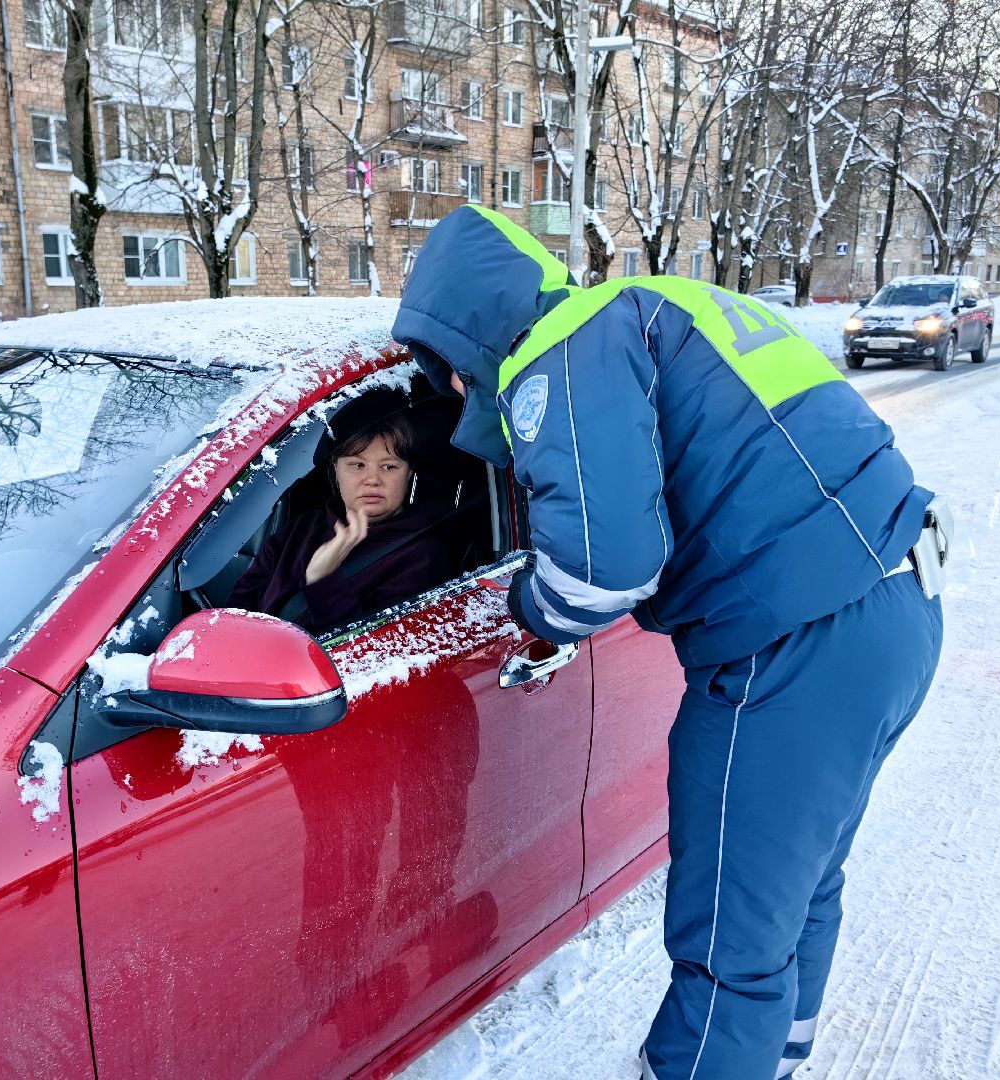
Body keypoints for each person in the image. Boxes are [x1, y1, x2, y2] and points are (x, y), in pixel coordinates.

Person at [391, 205, 946, 1080]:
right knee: (792, 892)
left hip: (793, 645)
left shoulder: (555, 353)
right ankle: (775, 1058)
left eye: (449, 373)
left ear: (468, 332)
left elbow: (604, 571)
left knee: (731, 938)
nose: (457, 394)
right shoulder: (657, 302)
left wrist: (527, 609)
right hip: (898, 601)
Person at [227, 406, 452, 634]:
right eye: (358, 465)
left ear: (409, 473)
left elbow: (373, 652)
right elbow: (237, 608)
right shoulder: (300, 529)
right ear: (336, 468)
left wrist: (323, 581)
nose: (373, 480)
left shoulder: (422, 557)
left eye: (389, 466)